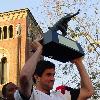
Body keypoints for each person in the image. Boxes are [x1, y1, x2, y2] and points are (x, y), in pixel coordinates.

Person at [14, 39, 94, 100]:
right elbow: (24, 76)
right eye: (48, 75)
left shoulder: (61, 95)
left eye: (53, 75)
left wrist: (78, 62)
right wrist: (39, 50)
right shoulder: (31, 95)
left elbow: (88, 91)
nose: (52, 79)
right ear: (37, 77)